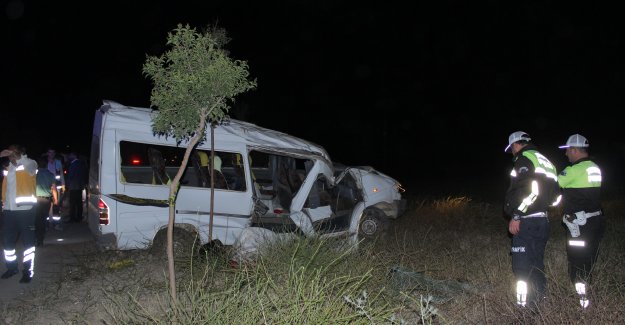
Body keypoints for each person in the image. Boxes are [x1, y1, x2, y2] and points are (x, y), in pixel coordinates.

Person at [503, 131, 560, 307]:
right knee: (536, 264)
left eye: (512, 148)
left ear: (516, 145)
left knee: (521, 268)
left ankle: (523, 310)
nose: (512, 152)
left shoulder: (524, 159)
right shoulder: (546, 161)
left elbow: (529, 190)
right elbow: (557, 197)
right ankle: (540, 304)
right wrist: (540, 207)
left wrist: (518, 214)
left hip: (526, 221)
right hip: (543, 220)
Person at [557, 134, 603, 309]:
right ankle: (590, 298)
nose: (566, 154)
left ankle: (582, 304)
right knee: (589, 260)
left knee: (577, 262)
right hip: (596, 221)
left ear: (575, 150)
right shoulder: (595, 168)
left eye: (568, 150)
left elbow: (553, 185)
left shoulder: (574, 170)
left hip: (580, 225)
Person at [1, 145, 38, 283]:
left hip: (25, 210)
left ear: (19, 153)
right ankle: (12, 268)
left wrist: (17, 158)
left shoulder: (30, 163)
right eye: (9, 153)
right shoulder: (8, 167)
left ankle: (27, 271)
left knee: (28, 243)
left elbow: (28, 166)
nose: (9, 156)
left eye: (12, 153)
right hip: (9, 210)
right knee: (7, 242)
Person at [35, 156, 59, 246]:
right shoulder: (50, 174)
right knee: (43, 220)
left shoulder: (34, 174)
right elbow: (53, 189)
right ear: (46, 165)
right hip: (46, 201)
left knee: (36, 220)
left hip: (36, 200)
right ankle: (40, 239)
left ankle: (36, 238)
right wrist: (56, 200)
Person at [65, 151, 87, 223]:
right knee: (79, 203)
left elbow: (70, 176)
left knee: (73, 203)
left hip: (73, 186)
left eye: (70, 155)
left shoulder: (73, 164)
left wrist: (67, 184)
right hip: (79, 186)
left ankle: (72, 218)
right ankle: (79, 217)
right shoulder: (81, 163)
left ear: (74, 155)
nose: (69, 156)